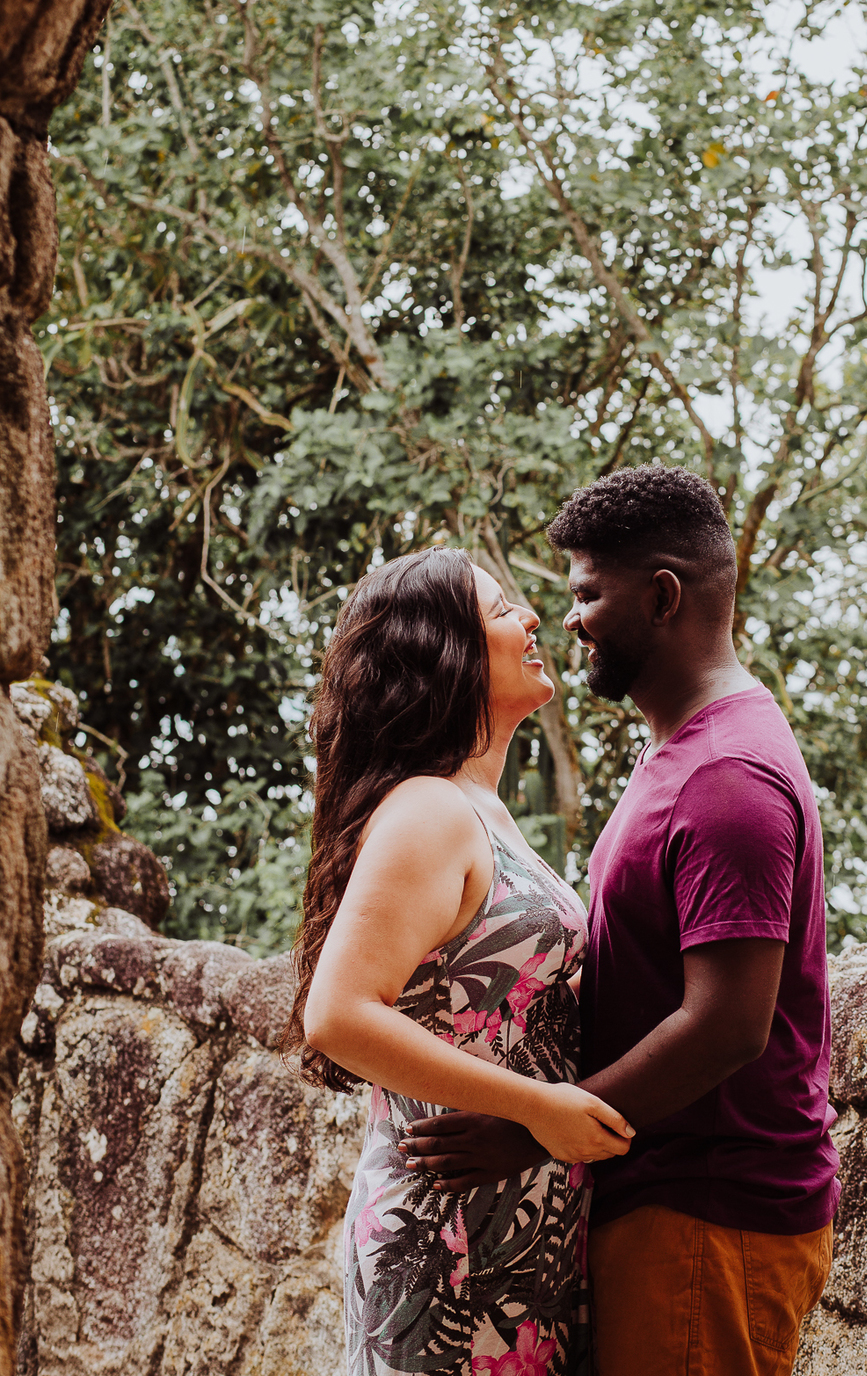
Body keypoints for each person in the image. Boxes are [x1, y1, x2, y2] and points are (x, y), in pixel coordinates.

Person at [402, 467, 840, 1375]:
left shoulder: (726, 779)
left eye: (589, 593)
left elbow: (726, 1025)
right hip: (670, 1208)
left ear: (664, 595)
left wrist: (530, 1130)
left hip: (709, 1217)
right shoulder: (682, 755)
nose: (570, 619)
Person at [281, 547, 634, 1376]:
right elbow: (337, 1014)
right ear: (447, 652)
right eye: (502, 609)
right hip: (447, 1242)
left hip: (511, 1232)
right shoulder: (430, 810)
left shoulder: (481, 810)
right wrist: (540, 1109)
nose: (534, 618)